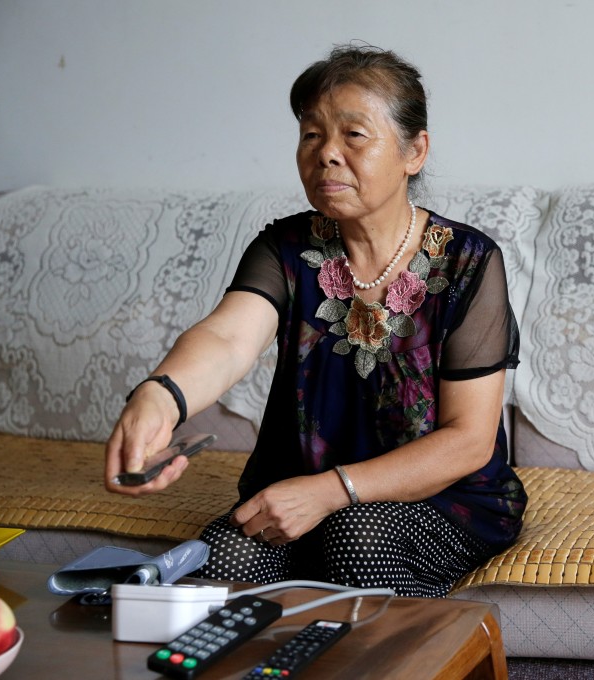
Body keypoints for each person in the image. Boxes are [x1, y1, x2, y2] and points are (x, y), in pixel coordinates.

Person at [104, 44, 527, 597]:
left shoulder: (468, 261)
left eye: (353, 135)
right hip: (301, 493)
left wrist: (331, 491)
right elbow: (228, 337)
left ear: (414, 151)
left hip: (441, 502)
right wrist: (160, 395)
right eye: (310, 134)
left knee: (356, 535)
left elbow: (469, 442)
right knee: (222, 560)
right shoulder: (287, 247)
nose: (326, 153)